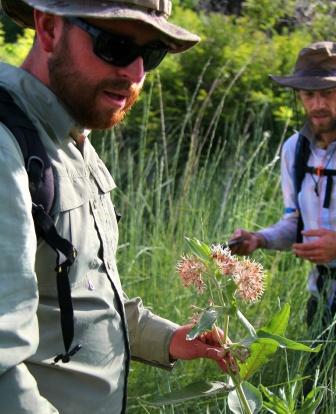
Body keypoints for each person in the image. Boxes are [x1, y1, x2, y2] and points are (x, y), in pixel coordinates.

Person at [0, 1, 228, 413]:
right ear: (49, 29)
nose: (136, 73)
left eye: (151, 53)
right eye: (116, 46)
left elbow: (80, 291)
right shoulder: (9, 147)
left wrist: (167, 338)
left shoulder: (68, 137)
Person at [230, 41, 336, 393]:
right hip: (322, 296)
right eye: (309, 94)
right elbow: (295, 222)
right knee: (317, 393)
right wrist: (259, 239)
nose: (318, 104)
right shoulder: (295, 149)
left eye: (329, 92)